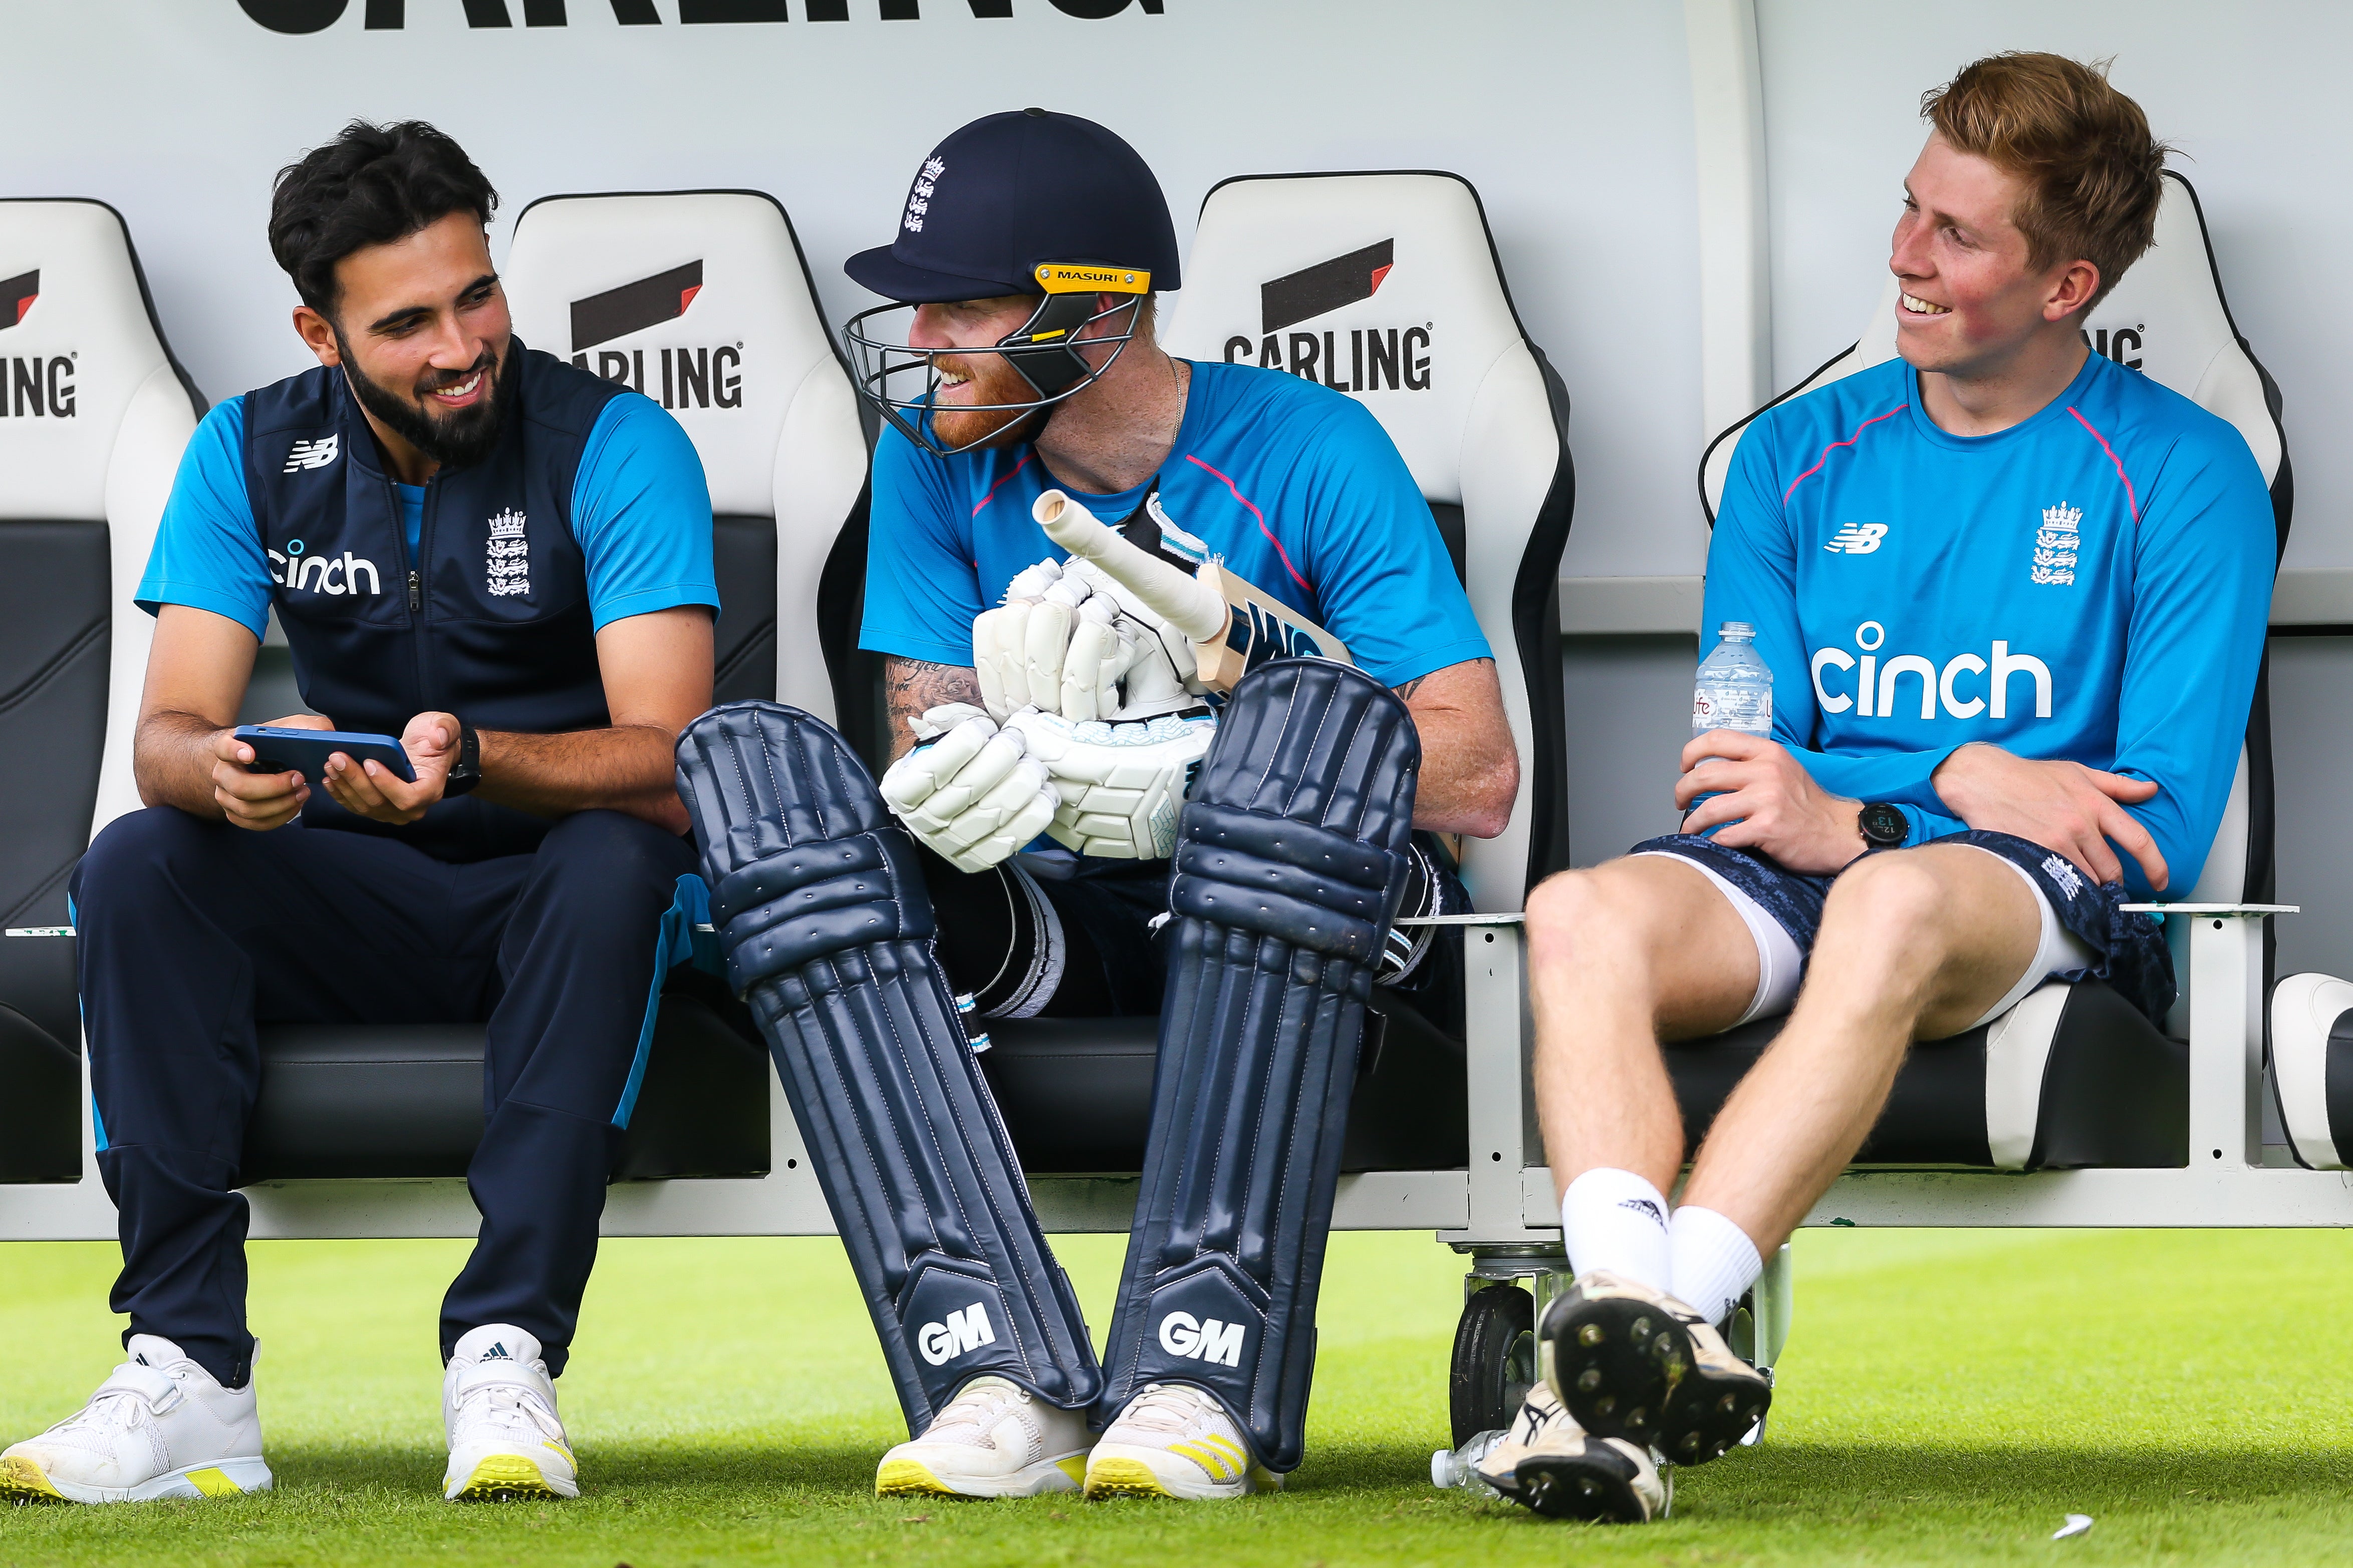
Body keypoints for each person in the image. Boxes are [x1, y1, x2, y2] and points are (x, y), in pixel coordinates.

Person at [676, 108, 1517, 1505]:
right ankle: (994, 1371)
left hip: (1329, 924)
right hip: (1075, 920)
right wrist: (967, 776)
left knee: (1280, 788)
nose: (924, 331)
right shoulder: (935, 458)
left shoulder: (1311, 443)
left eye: (961, 303)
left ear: (1096, 311)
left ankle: (1198, 1371)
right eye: (917, 302)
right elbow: (929, 717)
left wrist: (1212, 751)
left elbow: (1473, 772)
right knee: (793, 828)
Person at [1485, 55, 2275, 1523]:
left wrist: (1869, 808)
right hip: (1823, 851)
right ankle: (1628, 1329)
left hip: (2026, 899)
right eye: (1910, 209)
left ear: (2064, 284)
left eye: (1958, 235)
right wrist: (1966, 773)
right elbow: (1741, 764)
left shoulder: (2185, 471)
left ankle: (1626, 1354)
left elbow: (2146, 823)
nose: (1904, 256)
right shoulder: (1791, 455)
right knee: (1578, 909)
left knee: (1894, 900)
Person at [0, 122, 718, 1507]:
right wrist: (228, 772)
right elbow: (166, 735)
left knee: (618, 857)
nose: (461, 345)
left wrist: (477, 759)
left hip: (560, 889)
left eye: (477, 296)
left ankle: (505, 1354)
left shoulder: (617, 443)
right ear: (319, 335)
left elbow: (670, 754)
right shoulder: (247, 448)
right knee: (142, 859)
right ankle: (187, 1369)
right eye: (406, 323)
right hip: (366, 890)